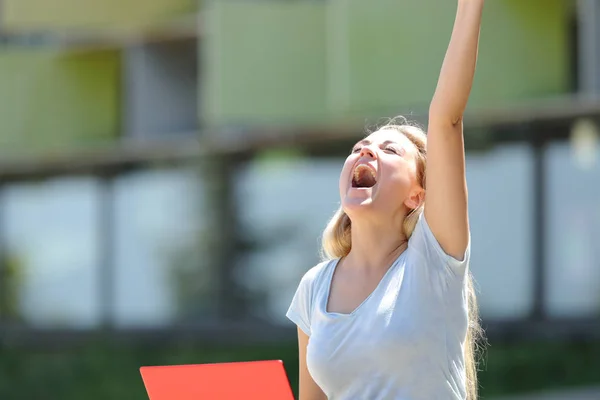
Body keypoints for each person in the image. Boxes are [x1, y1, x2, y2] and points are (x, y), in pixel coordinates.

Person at [286, 0, 485, 399]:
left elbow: (446, 118)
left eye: (390, 151)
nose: (366, 152)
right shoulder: (314, 287)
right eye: (359, 146)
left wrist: (469, 6)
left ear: (417, 195)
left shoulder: (434, 261)